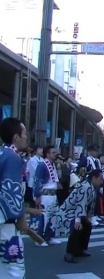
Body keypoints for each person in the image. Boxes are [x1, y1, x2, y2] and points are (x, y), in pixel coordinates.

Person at [52, 168, 102, 263]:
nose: (101, 181)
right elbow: (80, 203)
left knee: (87, 225)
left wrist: (88, 217)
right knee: (77, 227)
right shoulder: (85, 186)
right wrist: (78, 220)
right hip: (67, 212)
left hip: (77, 212)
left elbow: (90, 205)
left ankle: (79, 249)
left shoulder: (90, 186)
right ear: (94, 178)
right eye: (100, 178)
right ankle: (69, 253)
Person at [0, 118, 29, 278]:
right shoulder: (13, 158)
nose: (26, 136)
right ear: (16, 137)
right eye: (24, 133)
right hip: (6, 223)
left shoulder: (2, 154)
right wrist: (20, 218)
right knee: (14, 269)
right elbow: (11, 191)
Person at [30, 144, 61, 246]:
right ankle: (40, 239)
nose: (55, 154)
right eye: (53, 153)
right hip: (45, 195)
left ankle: (49, 236)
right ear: (47, 154)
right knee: (44, 216)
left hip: (53, 194)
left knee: (53, 217)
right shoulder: (42, 165)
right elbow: (37, 181)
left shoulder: (53, 164)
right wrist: (37, 195)